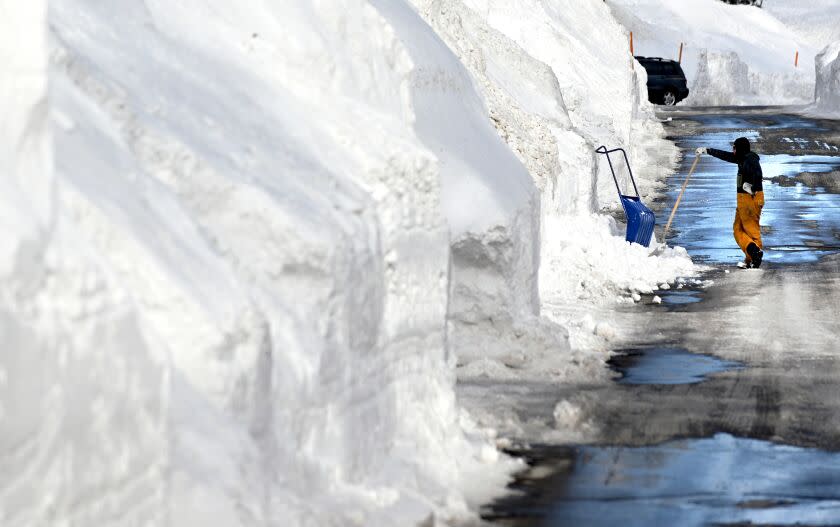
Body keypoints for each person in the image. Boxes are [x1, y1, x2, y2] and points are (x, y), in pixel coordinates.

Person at [696, 137, 765, 268]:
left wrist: (753, 188)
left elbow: (758, 173)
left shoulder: (750, 158)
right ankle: (752, 254)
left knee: (751, 230)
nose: (733, 151)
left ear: (741, 148)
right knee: (737, 229)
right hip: (744, 201)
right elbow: (726, 156)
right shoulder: (742, 158)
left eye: (735, 148)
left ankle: (754, 259)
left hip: (750, 199)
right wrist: (708, 151)